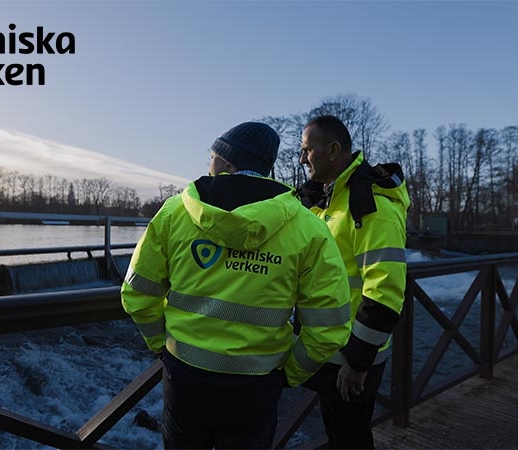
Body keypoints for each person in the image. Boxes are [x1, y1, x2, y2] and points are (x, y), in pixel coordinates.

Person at [121, 121, 352, 449]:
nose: (209, 164)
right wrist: (290, 372)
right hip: (256, 385)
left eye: (212, 156)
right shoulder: (307, 227)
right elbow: (329, 325)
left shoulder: (175, 212)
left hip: (185, 375)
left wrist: (161, 344)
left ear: (228, 162)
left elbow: (137, 292)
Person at [299, 115, 410, 449]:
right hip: (329, 352)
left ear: (333, 150)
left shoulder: (370, 205)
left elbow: (386, 293)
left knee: (351, 440)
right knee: (340, 435)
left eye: (308, 150)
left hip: (350, 359)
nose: (304, 159)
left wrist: (357, 363)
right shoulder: (328, 199)